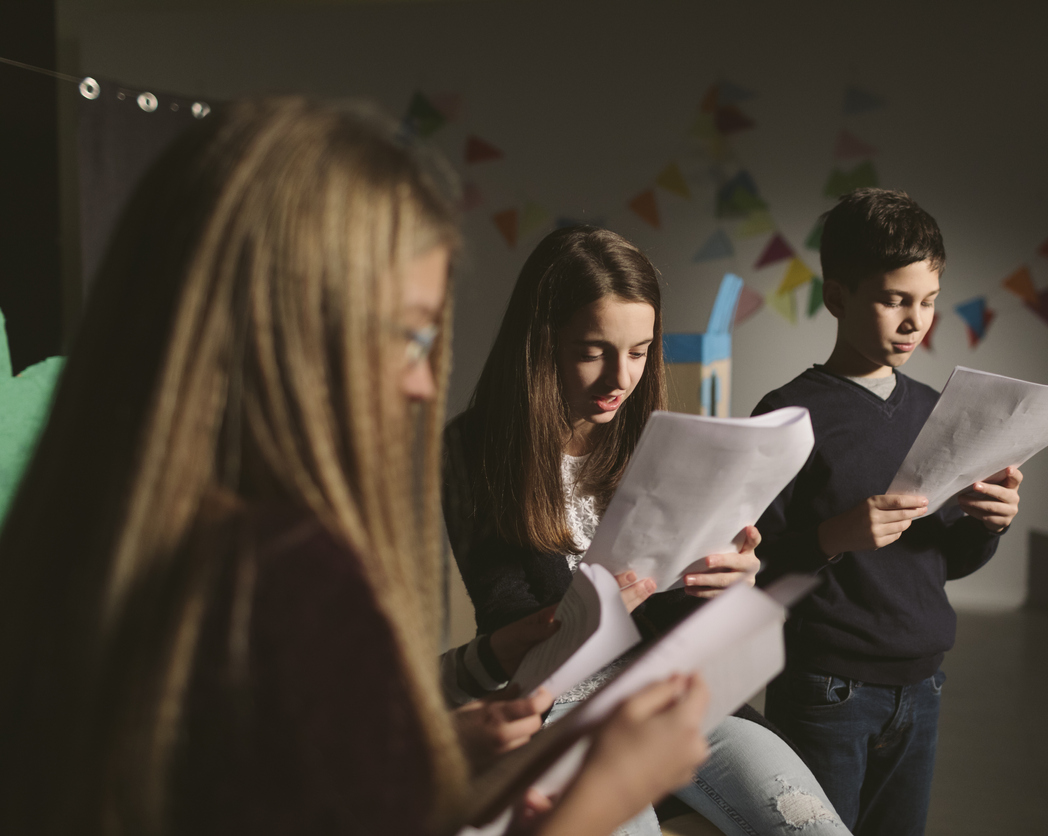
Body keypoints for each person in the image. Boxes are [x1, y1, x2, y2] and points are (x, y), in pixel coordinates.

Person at [0, 98, 710, 836]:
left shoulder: (79, 540)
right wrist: (611, 790)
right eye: (407, 336)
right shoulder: (287, 573)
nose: (423, 384)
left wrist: (426, 761)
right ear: (289, 326)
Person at [444, 225, 853, 836]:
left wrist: (727, 579)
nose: (620, 378)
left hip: (669, 689)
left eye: (639, 352)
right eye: (593, 350)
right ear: (540, 343)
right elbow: (506, 615)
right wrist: (597, 604)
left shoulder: (651, 437)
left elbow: (678, 615)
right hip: (556, 705)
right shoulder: (476, 448)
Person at [753, 188, 1025, 836]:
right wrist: (831, 537)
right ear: (838, 296)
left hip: (923, 685)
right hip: (826, 690)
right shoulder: (789, 412)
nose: (915, 321)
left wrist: (989, 521)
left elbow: (947, 563)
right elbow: (752, 567)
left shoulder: (940, 411)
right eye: (894, 300)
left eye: (928, 301)